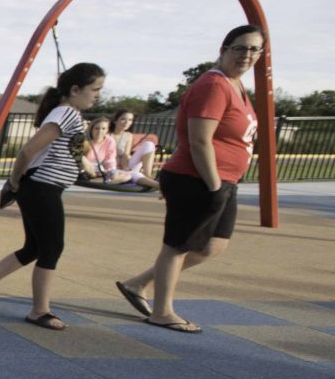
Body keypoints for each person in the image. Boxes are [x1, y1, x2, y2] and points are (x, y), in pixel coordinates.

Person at [113, 26, 265, 332]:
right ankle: (162, 311)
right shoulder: (214, 85)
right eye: (240, 48)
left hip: (224, 179)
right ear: (223, 49)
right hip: (196, 178)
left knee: (213, 247)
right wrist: (213, 184)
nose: (246, 55)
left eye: (254, 50)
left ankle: (138, 284)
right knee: (178, 245)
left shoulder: (237, 86)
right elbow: (200, 140)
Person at [0, 62, 107, 330]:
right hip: (42, 188)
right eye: (95, 89)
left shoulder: (65, 113)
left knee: (34, 248)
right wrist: (14, 183)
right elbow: (27, 151)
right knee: (52, 248)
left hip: (41, 187)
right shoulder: (66, 113)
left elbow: (56, 153)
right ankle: (40, 310)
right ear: (75, 89)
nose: (97, 95)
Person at [110, 108, 161, 185]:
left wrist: (125, 167)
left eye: (130, 120)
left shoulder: (128, 135)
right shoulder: (108, 135)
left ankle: (147, 176)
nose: (127, 122)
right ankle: (142, 179)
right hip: (112, 166)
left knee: (149, 144)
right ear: (115, 120)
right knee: (133, 174)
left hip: (125, 165)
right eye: (123, 119)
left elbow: (126, 154)